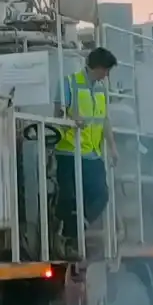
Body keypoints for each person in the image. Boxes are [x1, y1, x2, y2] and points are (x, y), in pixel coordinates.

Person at [54, 44, 117, 239]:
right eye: (105, 70)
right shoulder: (69, 83)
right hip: (70, 151)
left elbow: (104, 120)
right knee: (70, 199)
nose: (106, 75)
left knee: (101, 195)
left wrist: (112, 147)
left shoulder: (100, 90)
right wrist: (72, 117)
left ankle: (80, 224)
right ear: (97, 67)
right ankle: (70, 232)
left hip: (92, 154)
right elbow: (58, 113)